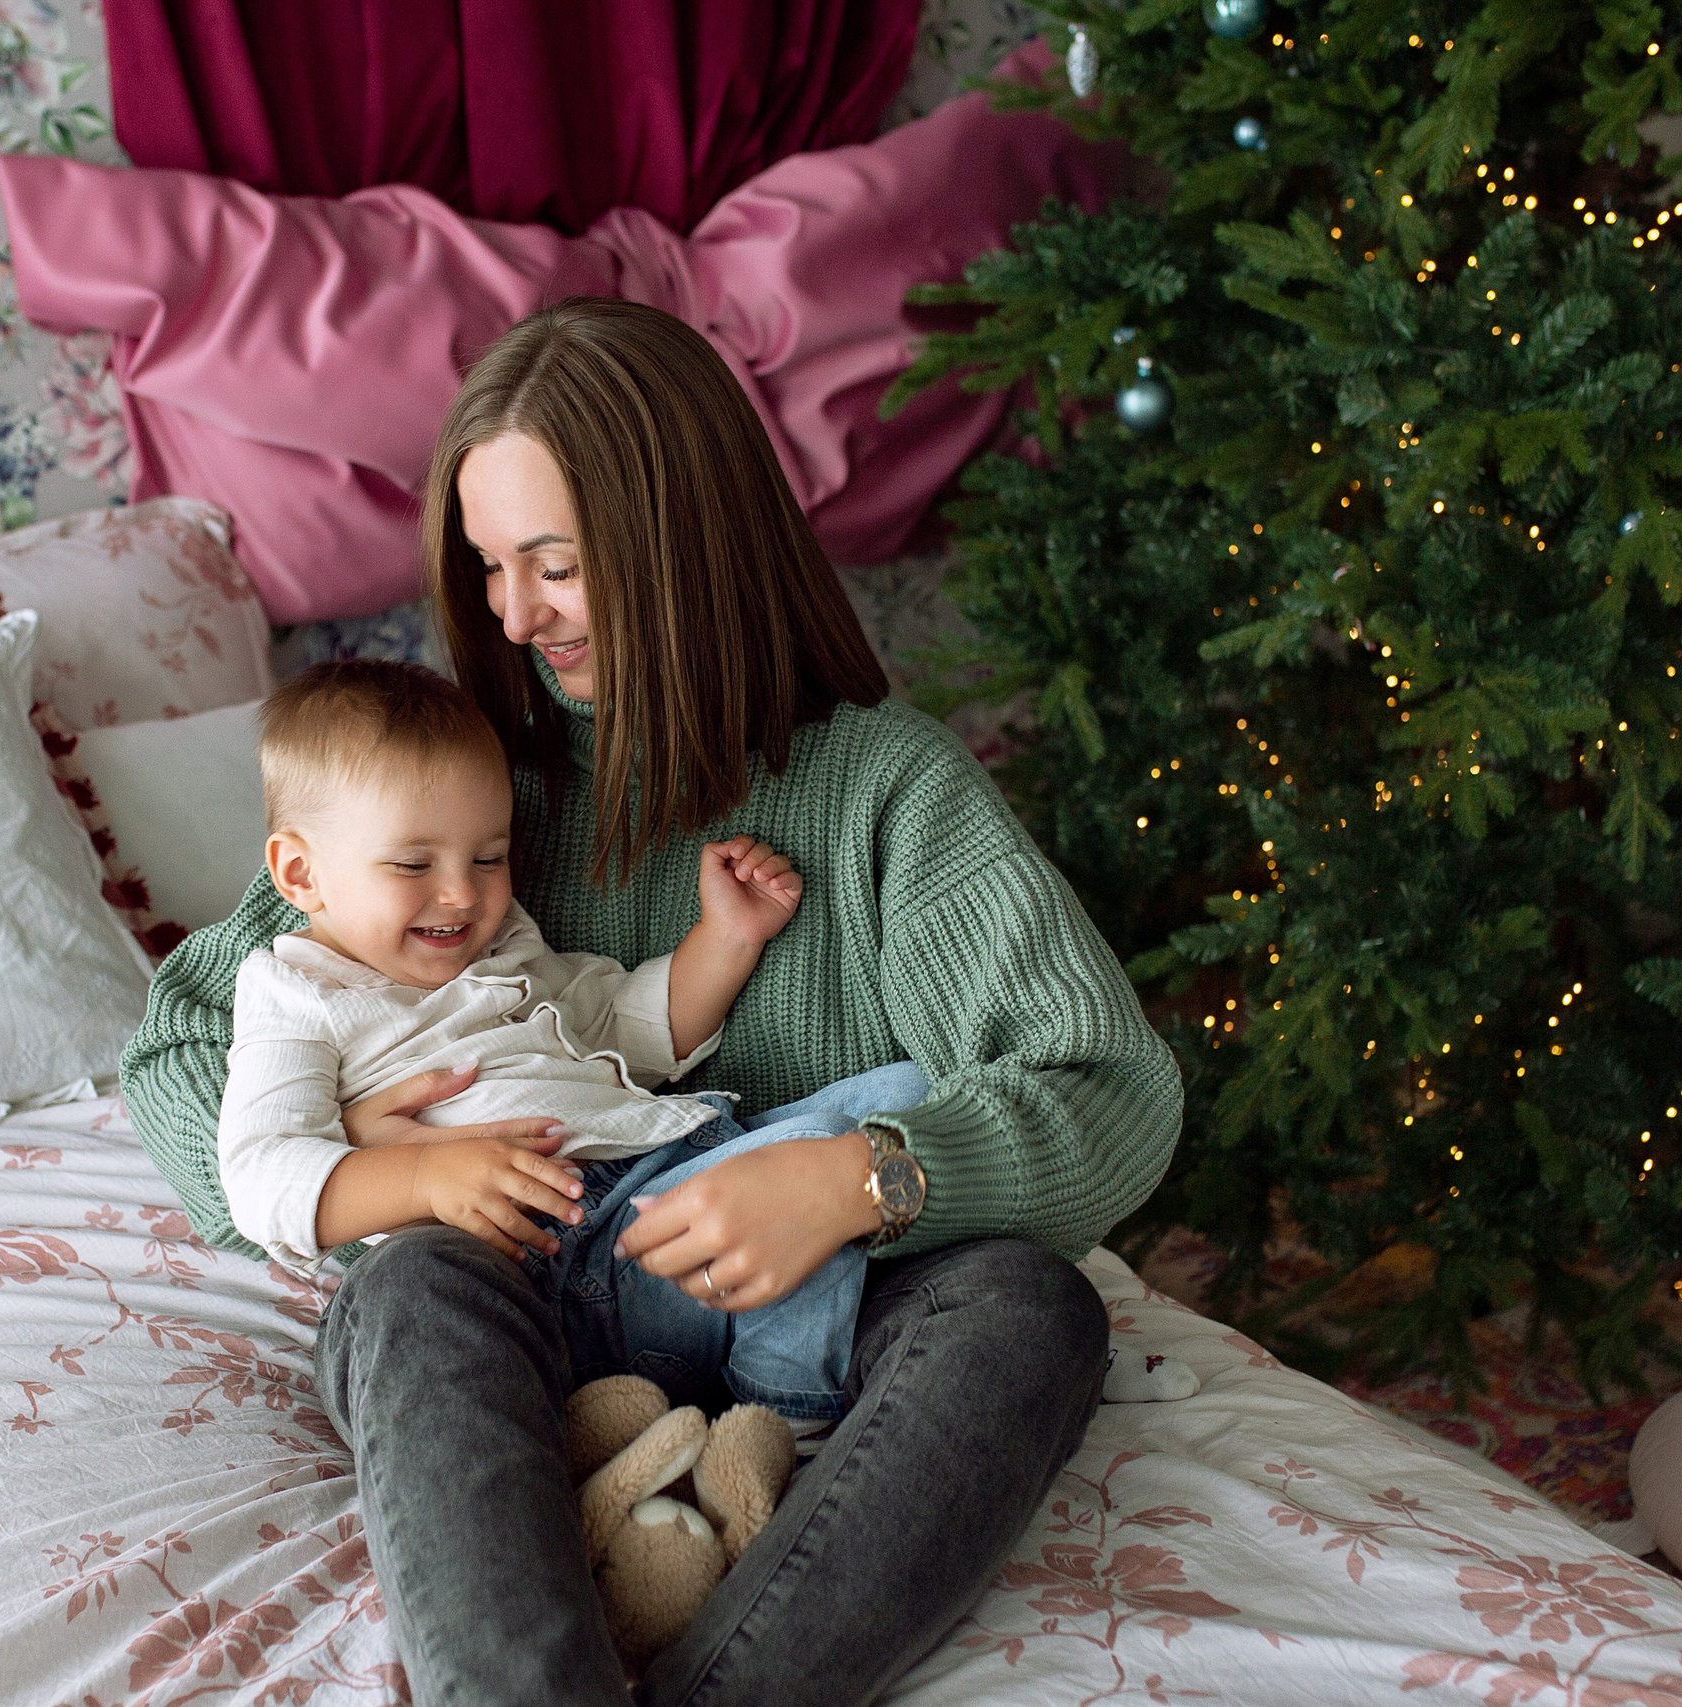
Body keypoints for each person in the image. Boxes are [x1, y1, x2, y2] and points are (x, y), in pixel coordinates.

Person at [121, 297, 1181, 1707]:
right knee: (413, 1287)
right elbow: (185, 1040)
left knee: (1032, 1308)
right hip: (525, 1286)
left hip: (803, 1304)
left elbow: (1110, 1088)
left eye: (553, 564)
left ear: (685, 544)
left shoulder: (883, 791)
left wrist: (856, 1179)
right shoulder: (460, 789)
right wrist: (371, 1165)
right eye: (492, 566)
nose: (509, 613)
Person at [217, 657, 927, 1430]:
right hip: (575, 1250)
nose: (462, 892)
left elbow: (623, 1029)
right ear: (300, 872)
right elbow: (260, 1172)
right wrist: (421, 1174)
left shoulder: (503, 943)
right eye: (414, 864)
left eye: (489, 856)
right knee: (819, 1150)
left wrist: (725, 939)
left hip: (667, 1162)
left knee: (904, 1096)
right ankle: (780, 1420)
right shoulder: (293, 996)